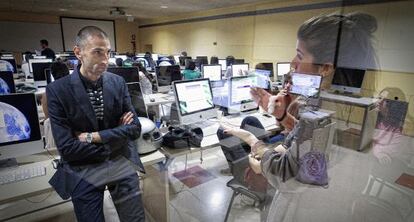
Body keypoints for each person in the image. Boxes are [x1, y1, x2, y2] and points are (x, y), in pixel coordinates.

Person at [221, 12, 378, 221]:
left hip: (305, 209)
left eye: (300, 55)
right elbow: (312, 141)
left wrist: (253, 143)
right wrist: (282, 114)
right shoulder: (344, 104)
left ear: (325, 68)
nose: (293, 62)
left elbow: (289, 175)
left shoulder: (320, 111)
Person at [47, 26, 145, 222]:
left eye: (108, 52)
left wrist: (95, 137)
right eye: (98, 52)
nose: (105, 59)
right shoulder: (58, 90)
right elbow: (67, 149)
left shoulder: (117, 82)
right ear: (78, 52)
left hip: (119, 162)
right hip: (84, 167)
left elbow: (135, 129)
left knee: (135, 220)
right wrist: (117, 135)